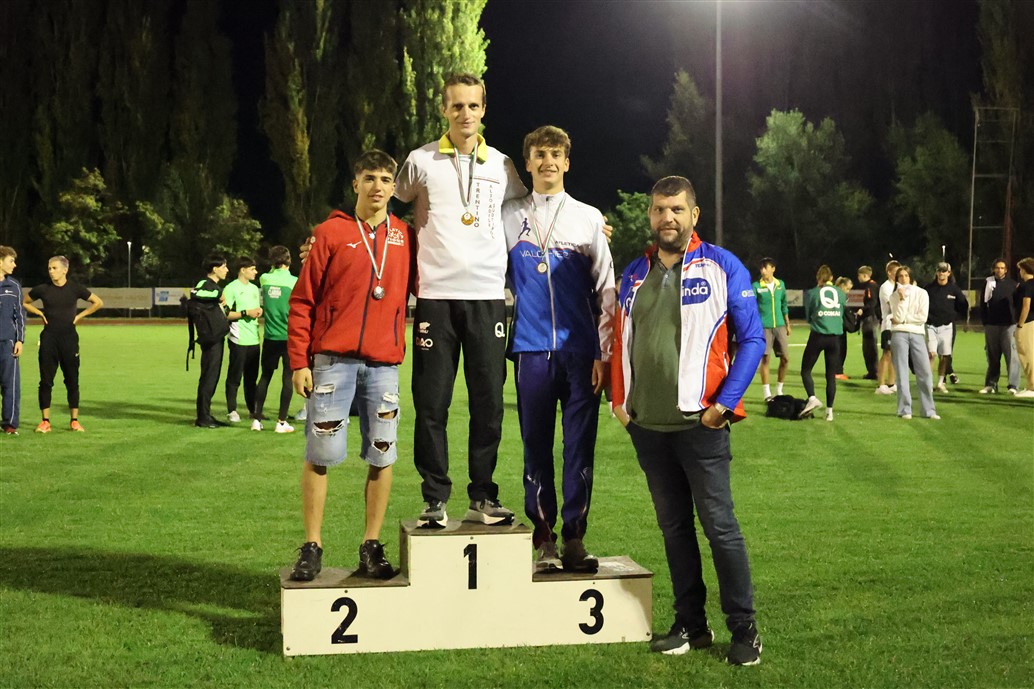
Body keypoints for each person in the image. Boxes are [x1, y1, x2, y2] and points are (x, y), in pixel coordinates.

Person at [611, 176, 765, 666]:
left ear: (694, 215)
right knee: (674, 530)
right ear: (650, 215)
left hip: (701, 425)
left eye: (677, 209)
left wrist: (724, 405)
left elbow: (753, 340)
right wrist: (620, 402)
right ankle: (691, 626)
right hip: (648, 428)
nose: (667, 218)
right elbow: (619, 339)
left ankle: (744, 629)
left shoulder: (723, 265)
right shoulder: (634, 272)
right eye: (659, 209)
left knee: (720, 527)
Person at [393, 73, 527, 527]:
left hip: (488, 298)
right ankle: (434, 498)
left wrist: (590, 225)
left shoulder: (503, 165)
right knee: (432, 404)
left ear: (483, 109)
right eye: (456, 106)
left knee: (489, 403)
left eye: (472, 106)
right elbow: (389, 203)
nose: (465, 114)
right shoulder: (420, 161)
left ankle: (482, 495)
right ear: (444, 109)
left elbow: (525, 211)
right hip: (435, 298)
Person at [286, 149, 416, 581]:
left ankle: (370, 546)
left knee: (382, 453)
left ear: (394, 188)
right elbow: (303, 300)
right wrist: (299, 361)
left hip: (383, 365)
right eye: (369, 178)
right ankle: (312, 546)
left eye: (385, 179)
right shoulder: (329, 233)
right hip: (332, 361)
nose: (377, 186)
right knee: (319, 454)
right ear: (355, 183)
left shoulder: (406, 237)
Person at [502, 125, 616, 573]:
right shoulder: (508, 215)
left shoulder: (588, 218)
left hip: (580, 352)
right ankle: (544, 539)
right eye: (539, 154)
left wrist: (603, 353)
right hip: (530, 350)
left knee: (579, 448)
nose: (547, 161)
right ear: (527, 163)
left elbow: (607, 289)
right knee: (535, 447)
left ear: (567, 162)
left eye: (555, 154)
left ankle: (574, 538)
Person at [22, 256, 103, 433]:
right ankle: (45, 422)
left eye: (54, 268)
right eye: (49, 268)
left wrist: (79, 316)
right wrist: (39, 313)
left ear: (65, 270)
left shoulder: (75, 288)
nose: (51, 271)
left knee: (72, 380)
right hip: (49, 339)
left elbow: (98, 302)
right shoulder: (43, 289)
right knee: (46, 381)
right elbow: (24, 302)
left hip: (69, 339)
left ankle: (74, 421)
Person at [253, 246, 298, 432]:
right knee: (287, 378)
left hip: (270, 336)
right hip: (288, 336)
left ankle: (256, 419)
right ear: (288, 260)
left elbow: (271, 273)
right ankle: (281, 422)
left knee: (265, 376)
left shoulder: (265, 279)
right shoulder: (294, 281)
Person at [889, 265, 938, 419]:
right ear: (897, 279)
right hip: (899, 334)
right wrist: (902, 299)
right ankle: (905, 410)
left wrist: (904, 320)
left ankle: (929, 410)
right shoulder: (894, 296)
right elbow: (898, 316)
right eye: (900, 276)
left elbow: (922, 318)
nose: (904, 279)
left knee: (925, 372)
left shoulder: (922, 293)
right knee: (902, 373)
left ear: (911, 277)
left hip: (917, 333)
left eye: (906, 275)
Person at [798, 266, 845, 421]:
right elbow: (841, 311)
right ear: (831, 278)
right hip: (835, 338)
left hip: (818, 335)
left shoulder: (812, 293)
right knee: (830, 376)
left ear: (818, 278)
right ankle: (829, 411)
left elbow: (808, 315)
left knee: (806, 370)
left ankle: (812, 398)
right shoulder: (840, 293)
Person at [222, 257, 263, 424]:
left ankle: (253, 411)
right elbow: (225, 313)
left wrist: (258, 312)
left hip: (254, 339)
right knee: (235, 377)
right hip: (238, 339)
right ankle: (232, 410)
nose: (255, 272)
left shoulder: (254, 288)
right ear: (243, 270)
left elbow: (254, 310)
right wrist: (246, 313)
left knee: (251, 379)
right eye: (252, 269)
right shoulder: (231, 288)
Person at [190, 255, 229, 428]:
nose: (227, 270)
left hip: (216, 337)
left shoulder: (213, 286)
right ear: (215, 269)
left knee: (212, 377)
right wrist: (219, 294)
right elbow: (195, 293)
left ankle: (206, 414)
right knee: (209, 377)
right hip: (210, 339)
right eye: (224, 266)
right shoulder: (205, 284)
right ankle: (203, 418)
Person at [924, 262, 968, 393]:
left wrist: (957, 318)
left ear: (949, 273)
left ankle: (940, 383)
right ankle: (927, 383)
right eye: (939, 271)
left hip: (947, 326)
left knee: (945, 355)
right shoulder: (928, 289)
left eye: (944, 271)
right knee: (931, 354)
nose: (941, 273)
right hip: (931, 325)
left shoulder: (954, 289)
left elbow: (963, 305)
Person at [979, 258, 1020, 394]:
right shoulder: (988, 283)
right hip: (992, 324)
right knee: (992, 356)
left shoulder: (1013, 285)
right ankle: (991, 384)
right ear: (993, 269)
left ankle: (1013, 385)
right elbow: (982, 304)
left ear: (1006, 270)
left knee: (1011, 356)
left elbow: (1018, 305)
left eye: (1002, 268)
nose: (999, 270)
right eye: (997, 267)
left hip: (1009, 325)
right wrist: (985, 321)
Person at [752, 257, 790, 399]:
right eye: (761, 268)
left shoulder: (780, 284)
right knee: (766, 359)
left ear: (773, 269)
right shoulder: (756, 286)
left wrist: (787, 324)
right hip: (764, 327)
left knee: (785, 358)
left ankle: (779, 390)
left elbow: (784, 305)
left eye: (765, 267)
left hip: (779, 326)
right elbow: (751, 307)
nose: (763, 270)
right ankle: (766, 393)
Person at [0, 246, 25, 435]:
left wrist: (20, 340)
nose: (14, 265)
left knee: (10, 385)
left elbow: (20, 315)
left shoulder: (14, 286)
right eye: (11, 261)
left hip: (8, 342)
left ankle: (10, 424)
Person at [875, 260, 900, 395]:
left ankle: (891, 383)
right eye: (895, 272)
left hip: (898, 326)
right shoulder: (886, 287)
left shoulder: (898, 286)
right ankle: (881, 385)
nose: (898, 275)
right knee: (887, 354)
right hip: (888, 325)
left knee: (895, 355)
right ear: (889, 272)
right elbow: (892, 304)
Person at [1013, 257, 1034, 398]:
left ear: (1025, 269)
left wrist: (1020, 325)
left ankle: (1032, 387)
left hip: (1027, 323)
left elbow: (1026, 306)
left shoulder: (1027, 285)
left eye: (1020, 269)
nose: (1019, 272)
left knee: (1027, 354)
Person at [856, 265, 880, 379]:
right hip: (869, 318)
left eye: (859, 275)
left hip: (870, 318)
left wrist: (863, 309)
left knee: (870, 346)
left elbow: (872, 302)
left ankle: (874, 371)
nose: (858, 277)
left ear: (865, 275)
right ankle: (872, 371)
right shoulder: (868, 286)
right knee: (867, 346)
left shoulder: (871, 286)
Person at [833, 275, 858, 381]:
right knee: (840, 349)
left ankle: (837, 371)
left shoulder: (836, 294)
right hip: (838, 327)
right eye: (847, 289)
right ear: (842, 286)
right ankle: (838, 372)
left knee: (841, 349)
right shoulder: (838, 296)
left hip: (838, 327)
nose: (848, 291)